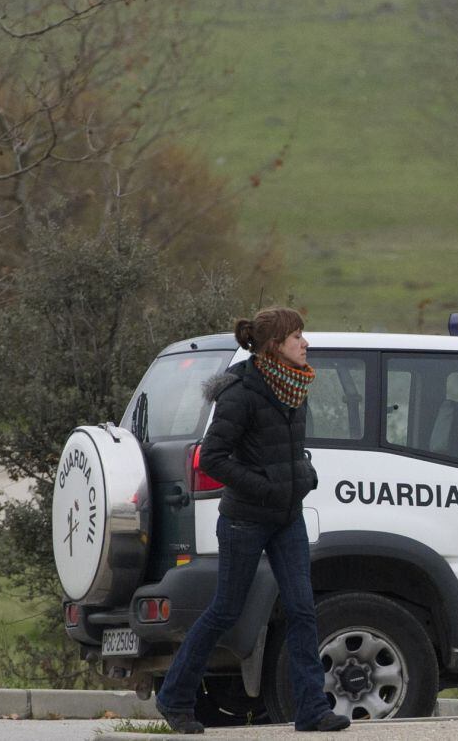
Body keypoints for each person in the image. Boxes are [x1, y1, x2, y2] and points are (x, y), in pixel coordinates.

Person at [155, 307, 350, 734]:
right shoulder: (240, 393)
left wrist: (305, 475)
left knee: (302, 610)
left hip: (287, 518)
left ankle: (312, 709)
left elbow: (289, 451)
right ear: (275, 345)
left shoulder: (294, 387)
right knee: (226, 611)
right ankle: (174, 699)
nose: (306, 343)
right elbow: (213, 458)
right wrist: (263, 487)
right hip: (245, 520)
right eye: (297, 336)